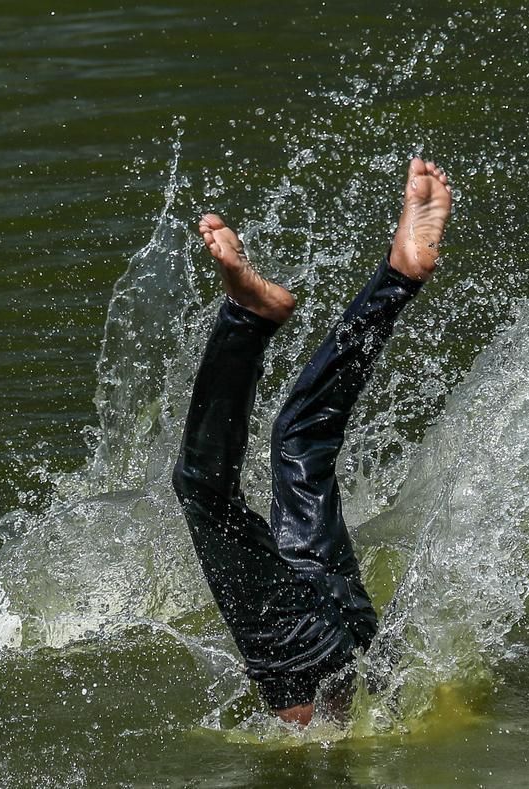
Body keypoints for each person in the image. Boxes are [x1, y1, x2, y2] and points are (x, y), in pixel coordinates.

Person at [171, 157, 452, 725]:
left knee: (302, 439)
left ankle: (398, 278)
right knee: (204, 490)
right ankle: (249, 318)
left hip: (351, 633)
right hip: (305, 660)